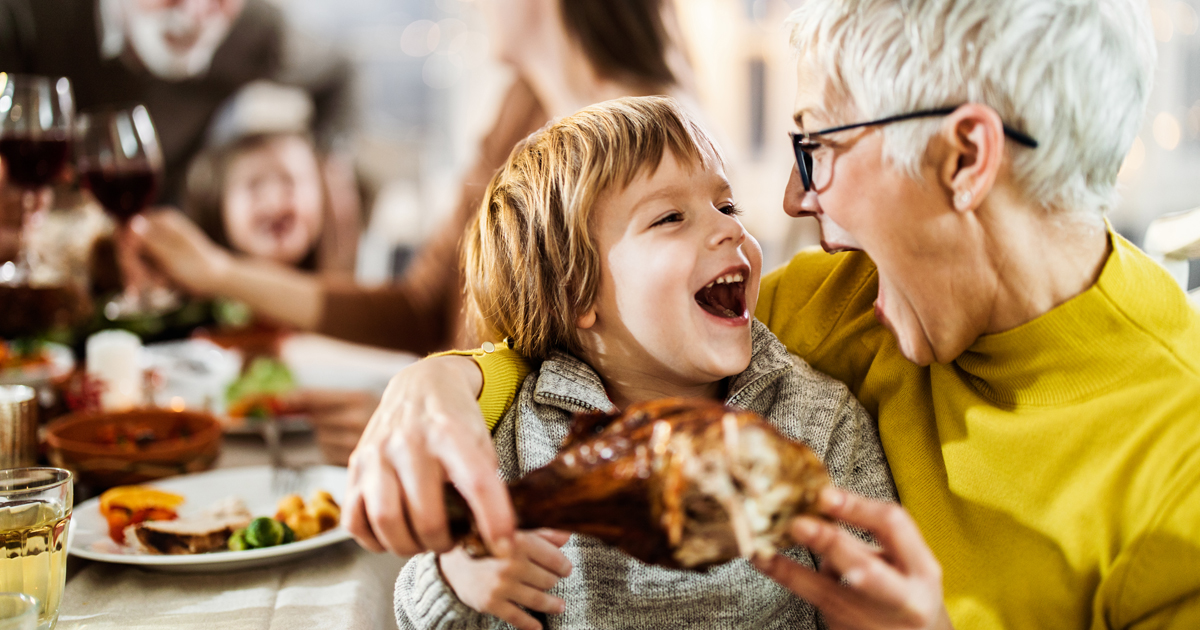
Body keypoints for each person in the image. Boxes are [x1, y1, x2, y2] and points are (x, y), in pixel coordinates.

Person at [343, 0, 1200, 629]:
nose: (789, 202)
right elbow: (565, 350)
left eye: (818, 148)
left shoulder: (1180, 467)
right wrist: (435, 389)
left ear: (965, 156)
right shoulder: (826, 306)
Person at [395, 95, 896, 630]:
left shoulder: (817, 421)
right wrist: (453, 577)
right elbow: (413, 607)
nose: (730, 229)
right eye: (671, 217)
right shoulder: (513, 436)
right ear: (576, 295)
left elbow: (875, 597)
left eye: (726, 207)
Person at [132, 0, 696, 464]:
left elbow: (615, 401)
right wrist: (219, 273)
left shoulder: (653, 146)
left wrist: (433, 436)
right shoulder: (521, 104)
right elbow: (423, 306)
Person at [0, 0, 355, 205]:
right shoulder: (25, 14)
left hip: (159, 240)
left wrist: (326, 169)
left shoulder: (254, 30)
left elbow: (340, 73)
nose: (196, 12)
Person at [184, 132, 358, 274]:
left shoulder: (342, 298)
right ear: (219, 206)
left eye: (289, 181)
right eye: (254, 186)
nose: (273, 201)